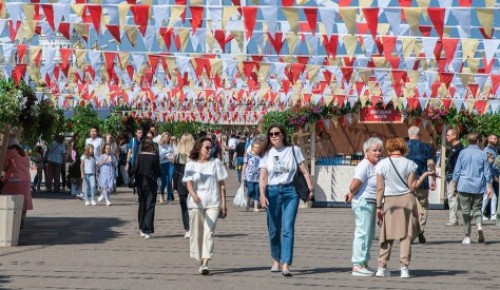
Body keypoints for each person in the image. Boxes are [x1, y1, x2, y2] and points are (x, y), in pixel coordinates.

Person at [258, 124, 314, 277]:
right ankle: (276, 259)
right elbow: (263, 176)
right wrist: (262, 195)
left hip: (291, 191)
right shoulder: (266, 154)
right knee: (274, 229)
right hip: (272, 192)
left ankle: (285, 264)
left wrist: (310, 189)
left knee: (288, 227)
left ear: (283, 135)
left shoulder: (293, 150)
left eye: (277, 133)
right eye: (271, 134)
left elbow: (304, 170)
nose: (274, 136)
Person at [375, 137, 434, 279]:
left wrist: (378, 206)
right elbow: (412, 186)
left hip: (390, 202)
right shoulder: (410, 164)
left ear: (389, 148)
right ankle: (404, 267)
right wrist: (425, 175)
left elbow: (380, 188)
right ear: (403, 148)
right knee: (406, 235)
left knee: (387, 235)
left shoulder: (381, 165)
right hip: (407, 200)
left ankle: (381, 267)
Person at [183, 137, 228, 275]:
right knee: (197, 234)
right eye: (207, 148)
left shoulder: (216, 163)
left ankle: (205, 262)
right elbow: (188, 182)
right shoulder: (191, 164)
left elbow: (222, 185)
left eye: (211, 147)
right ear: (199, 148)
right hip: (196, 203)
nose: (210, 150)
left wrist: (224, 204)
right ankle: (200, 260)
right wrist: (193, 194)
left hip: (213, 202)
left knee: (209, 232)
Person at [344, 137, 383, 277]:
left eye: (379, 150)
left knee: (369, 234)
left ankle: (363, 263)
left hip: (370, 203)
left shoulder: (374, 165)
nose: (378, 153)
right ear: (366, 152)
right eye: (375, 150)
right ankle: (358, 265)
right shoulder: (365, 165)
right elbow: (354, 184)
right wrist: (351, 192)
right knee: (363, 233)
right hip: (364, 202)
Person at [451, 133, 493, 244]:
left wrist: (454, 184)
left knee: (465, 211)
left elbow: (457, 170)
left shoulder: (462, 153)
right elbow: (487, 172)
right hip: (478, 185)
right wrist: (489, 187)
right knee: (477, 209)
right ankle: (479, 226)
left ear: (468, 141)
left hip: (464, 185)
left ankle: (467, 236)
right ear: (478, 141)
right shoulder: (483, 154)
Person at [406, 126, 436, 243]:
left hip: (407, 183)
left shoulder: (403, 146)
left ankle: (411, 232)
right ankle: (420, 230)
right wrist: (432, 179)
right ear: (420, 135)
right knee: (422, 208)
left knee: (409, 208)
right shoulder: (426, 147)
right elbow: (431, 164)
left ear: (408, 134)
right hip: (422, 182)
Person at [132, 137, 161, 239]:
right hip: (151, 184)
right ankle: (147, 229)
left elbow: (134, 169)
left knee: (142, 205)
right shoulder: (154, 157)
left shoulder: (139, 156)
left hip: (140, 183)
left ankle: (141, 227)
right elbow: (158, 172)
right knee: (150, 206)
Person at [2, 139, 33, 229]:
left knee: (5, 200)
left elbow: (4, 167)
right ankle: (21, 221)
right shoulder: (25, 155)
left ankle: (10, 221)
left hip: (13, 181)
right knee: (24, 202)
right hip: (26, 181)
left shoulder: (10, 152)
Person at [173, 133, 195, 238]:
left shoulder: (177, 155)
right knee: (194, 206)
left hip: (181, 182)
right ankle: (194, 227)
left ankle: (188, 229)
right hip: (194, 182)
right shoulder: (196, 155)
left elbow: (176, 172)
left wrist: (175, 186)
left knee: (184, 207)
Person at [241, 134, 268, 212]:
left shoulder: (262, 156)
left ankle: (256, 207)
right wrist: (243, 175)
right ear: (252, 147)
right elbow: (245, 165)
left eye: (258, 148)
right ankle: (248, 201)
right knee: (251, 190)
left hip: (258, 177)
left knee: (257, 192)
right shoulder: (248, 155)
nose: (257, 149)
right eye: (255, 148)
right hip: (249, 177)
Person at [444, 129, 464, 227]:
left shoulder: (459, 148)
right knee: (452, 197)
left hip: (454, 176)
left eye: (448, 135)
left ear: (454, 136)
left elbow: (458, 164)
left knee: (452, 197)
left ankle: (453, 219)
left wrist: (455, 178)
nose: (446, 137)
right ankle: (455, 218)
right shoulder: (453, 147)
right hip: (450, 175)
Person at [481, 134, 498, 221]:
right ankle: (488, 214)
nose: (496, 140)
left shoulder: (494, 150)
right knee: (489, 195)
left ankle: (489, 214)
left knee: (489, 196)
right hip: (488, 176)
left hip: (490, 175)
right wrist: (494, 175)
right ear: (489, 139)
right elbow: (489, 165)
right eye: (494, 138)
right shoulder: (487, 150)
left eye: (497, 138)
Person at [159, 132, 175, 204]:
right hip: (162, 164)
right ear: (162, 137)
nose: (166, 138)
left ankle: (169, 198)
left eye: (167, 137)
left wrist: (172, 157)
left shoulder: (171, 145)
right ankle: (162, 194)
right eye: (165, 137)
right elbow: (158, 156)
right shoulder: (160, 146)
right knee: (163, 181)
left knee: (169, 180)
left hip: (170, 164)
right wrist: (166, 156)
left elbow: (174, 153)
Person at [126, 128, 143, 194]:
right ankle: (135, 187)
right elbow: (129, 152)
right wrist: (127, 163)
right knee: (133, 176)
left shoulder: (143, 140)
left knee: (140, 176)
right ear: (136, 133)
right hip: (133, 161)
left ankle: (139, 191)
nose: (140, 134)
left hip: (141, 162)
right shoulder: (132, 140)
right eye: (139, 133)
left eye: (141, 132)